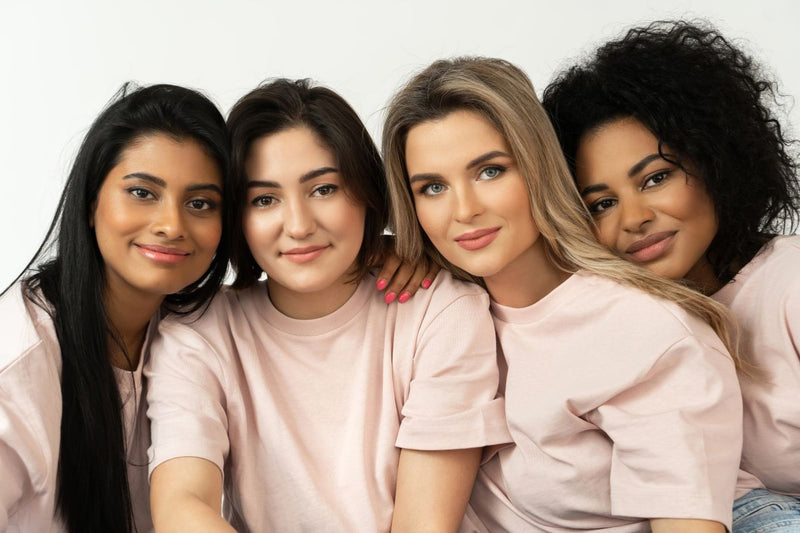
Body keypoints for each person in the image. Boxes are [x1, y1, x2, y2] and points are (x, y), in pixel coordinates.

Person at [383, 56, 746, 532]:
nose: (464, 210)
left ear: (538, 167)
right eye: (432, 187)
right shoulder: (431, 313)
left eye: (490, 172)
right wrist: (377, 250)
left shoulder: (647, 329)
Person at [145, 78, 509, 532]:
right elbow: (182, 506)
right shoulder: (198, 334)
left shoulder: (441, 312)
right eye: (264, 199)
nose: (298, 226)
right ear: (236, 215)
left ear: (366, 191)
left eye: (323, 189)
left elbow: (424, 525)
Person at [543, 20, 800, 531]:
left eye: (656, 178)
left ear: (713, 159)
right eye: (602, 203)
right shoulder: (621, 318)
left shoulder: (788, 283)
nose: (634, 217)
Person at [0, 84, 229, 532]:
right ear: (91, 204)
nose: (171, 225)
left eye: (200, 203)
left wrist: (383, 252)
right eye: (143, 193)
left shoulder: (197, 332)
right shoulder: (18, 364)